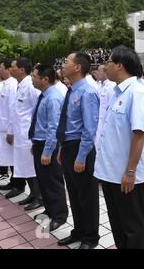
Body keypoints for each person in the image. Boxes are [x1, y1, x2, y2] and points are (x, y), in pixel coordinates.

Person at [94, 46, 144, 249]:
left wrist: (130, 170)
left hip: (126, 177)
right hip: (110, 174)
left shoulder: (137, 92)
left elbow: (139, 134)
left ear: (119, 65)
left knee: (132, 229)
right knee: (118, 226)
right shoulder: (117, 92)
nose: (104, 66)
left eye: (108, 62)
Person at [56, 51, 100, 249]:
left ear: (77, 68)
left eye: (67, 62)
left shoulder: (88, 92)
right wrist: (61, 149)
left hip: (80, 149)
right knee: (73, 193)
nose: (63, 64)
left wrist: (81, 156)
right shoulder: (71, 90)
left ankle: (91, 237)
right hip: (67, 147)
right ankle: (79, 231)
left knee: (87, 195)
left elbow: (89, 130)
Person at [29, 64, 68, 231]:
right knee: (43, 181)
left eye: (34, 76)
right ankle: (50, 209)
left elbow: (54, 127)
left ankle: (59, 215)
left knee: (53, 182)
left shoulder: (52, 98)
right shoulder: (44, 95)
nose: (32, 78)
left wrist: (47, 150)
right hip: (40, 144)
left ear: (45, 79)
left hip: (48, 146)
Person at [7, 58, 43, 210]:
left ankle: (39, 196)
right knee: (25, 166)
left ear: (22, 70)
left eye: (13, 67)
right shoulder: (20, 85)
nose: (10, 69)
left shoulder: (31, 85)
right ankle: (33, 194)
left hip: (28, 134)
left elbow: (38, 111)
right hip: (20, 134)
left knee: (32, 167)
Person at [0, 60, 21, 188]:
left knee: (14, 158)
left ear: (7, 69)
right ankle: (14, 181)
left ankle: (18, 184)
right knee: (9, 157)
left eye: (1, 67)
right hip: (3, 127)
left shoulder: (13, 85)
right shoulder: (5, 84)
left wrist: (11, 130)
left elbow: (13, 109)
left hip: (10, 128)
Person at [94, 64, 116, 149]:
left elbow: (111, 107)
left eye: (99, 71)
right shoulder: (99, 85)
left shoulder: (111, 86)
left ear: (105, 73)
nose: (97, 73)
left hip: (105, 122)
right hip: (98, 121)